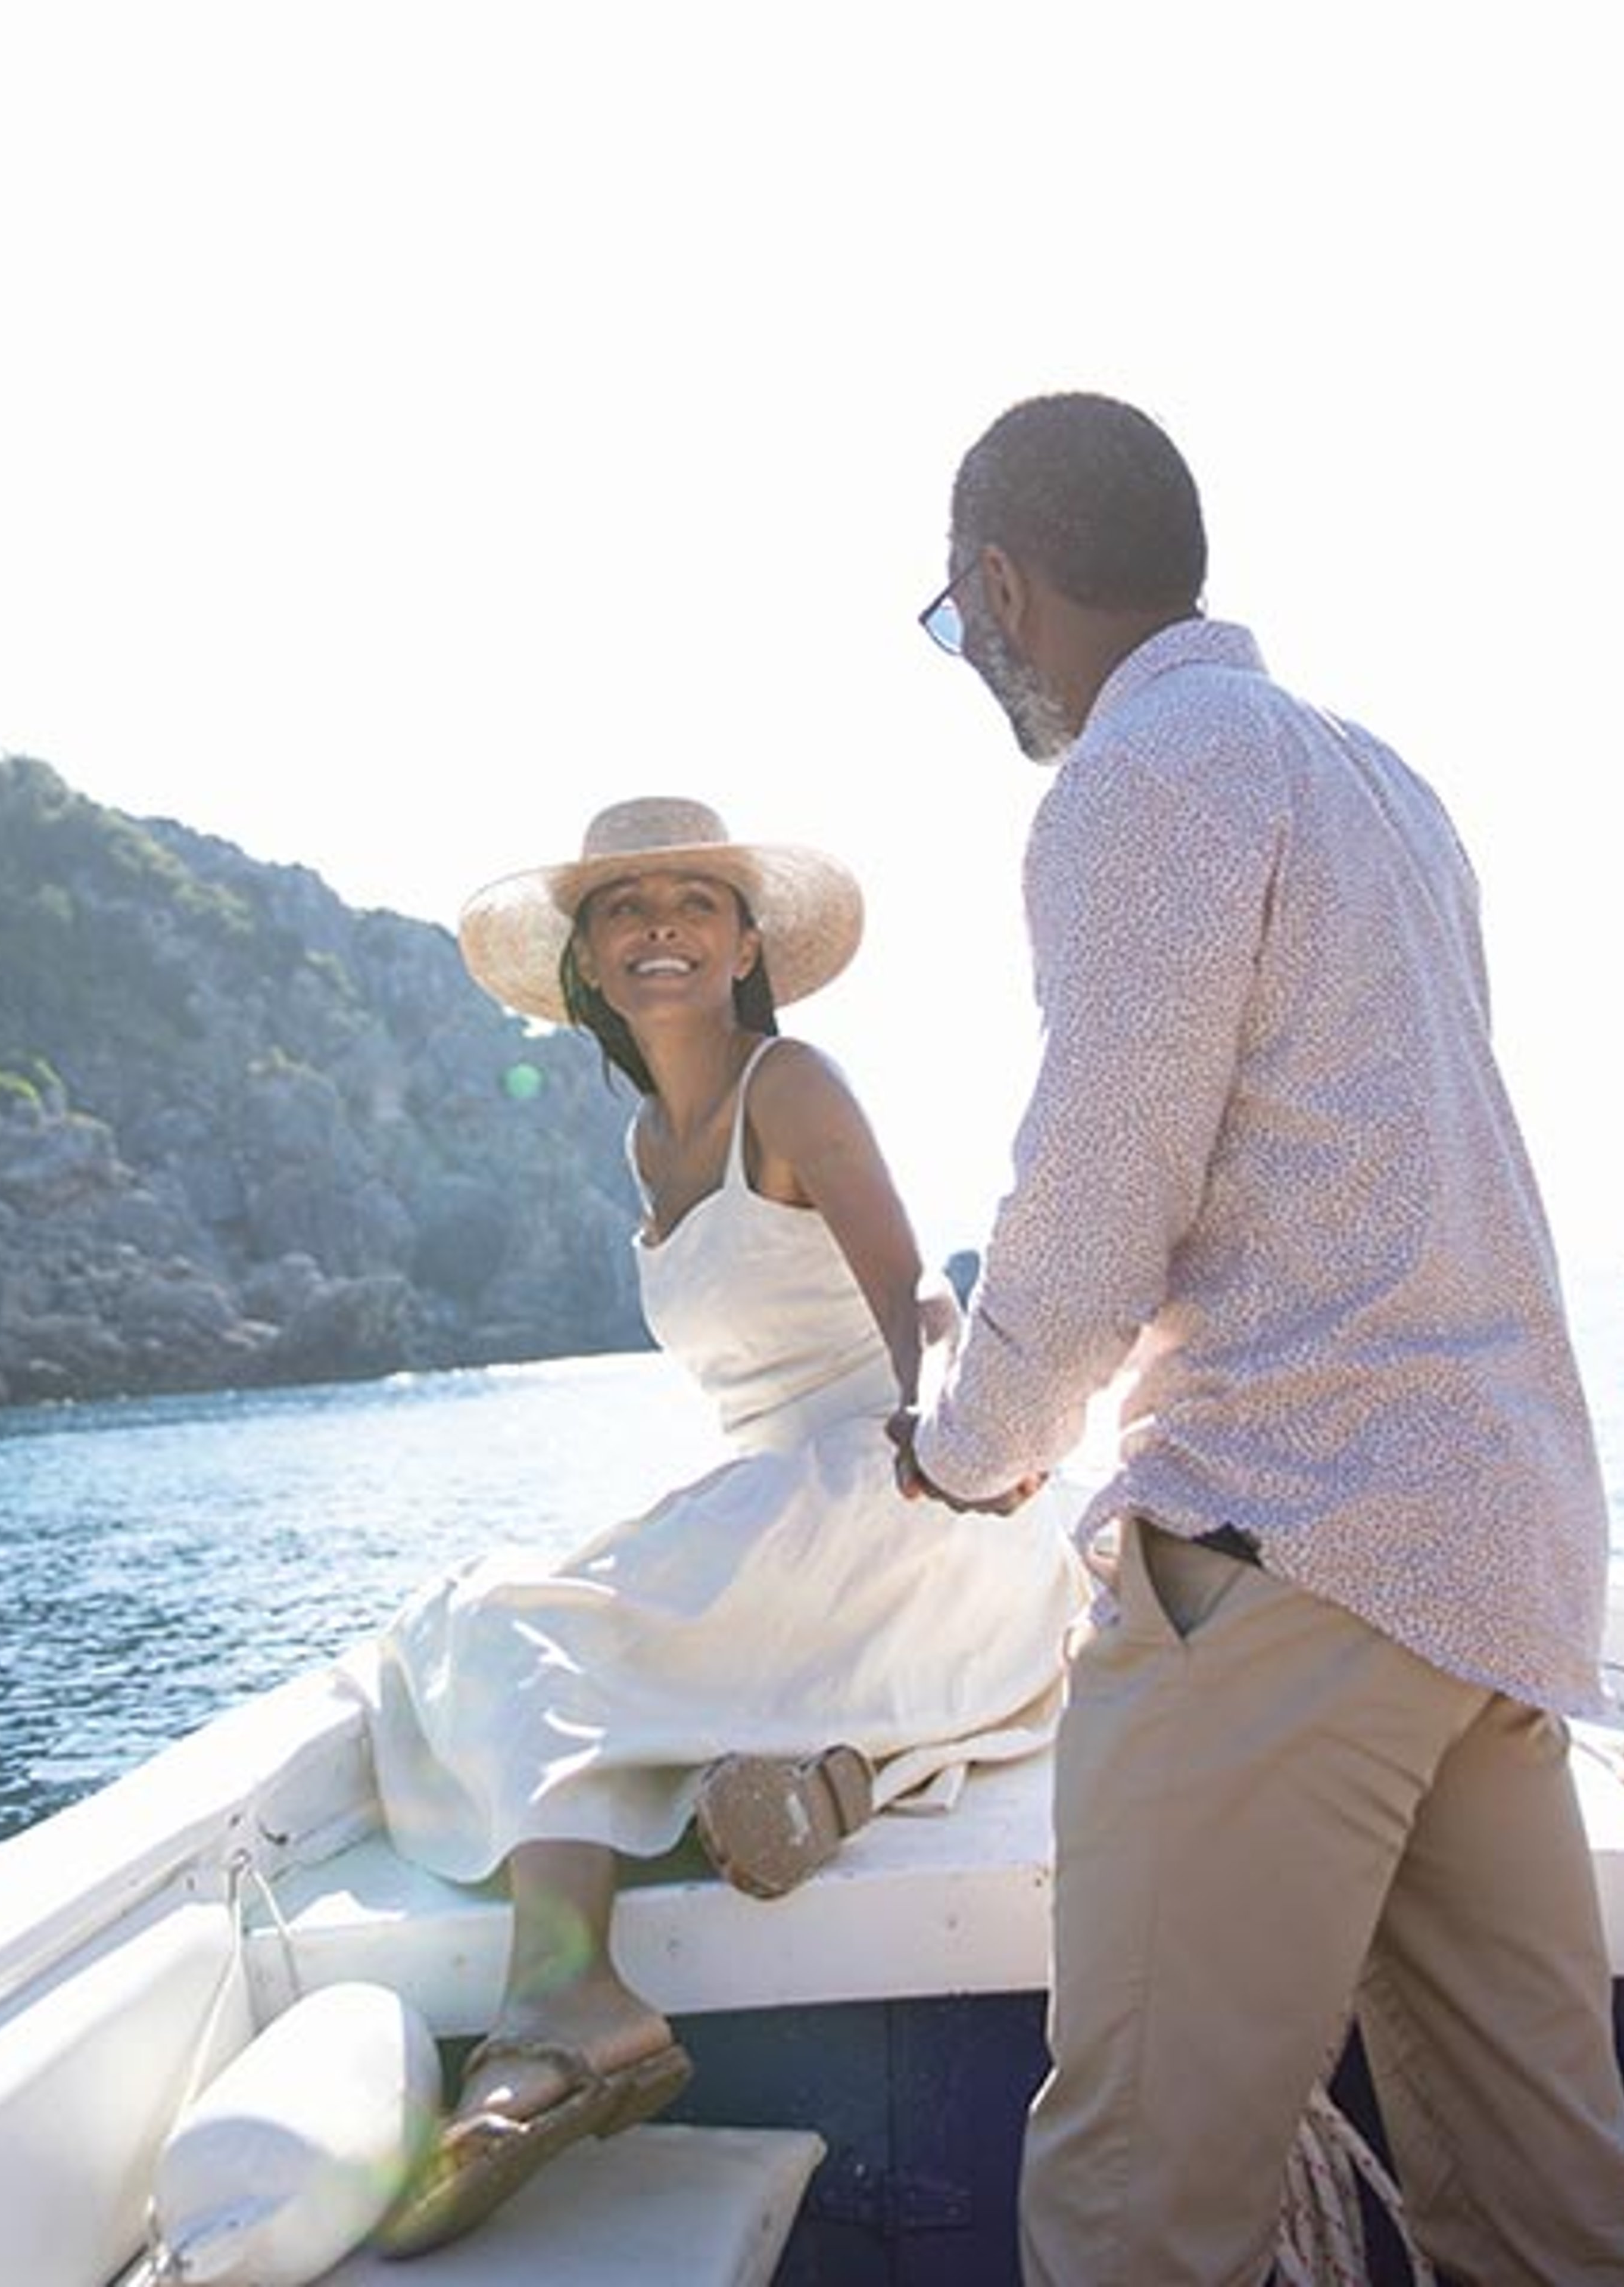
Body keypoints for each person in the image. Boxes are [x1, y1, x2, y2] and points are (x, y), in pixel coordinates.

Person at [894, 391, 1624, 2286]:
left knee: (1135, 2216)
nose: (969, 659)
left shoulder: (1145, 776)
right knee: (1552, 2207)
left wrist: (963, 1446)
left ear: (1001, 585)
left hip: (1295, 1552)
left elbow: (1098, 1194)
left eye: (952, 623)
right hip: (1494, 1568)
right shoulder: (1379, 779)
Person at [361, 795, 1089, 2258]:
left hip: (891, 1491)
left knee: (509, 1623)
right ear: (588, 961)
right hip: (779, 1506)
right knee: (473, 1617)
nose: (663, 930)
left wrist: (963, 1451)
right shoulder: (646, 1139)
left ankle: (568, 1998)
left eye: (696, 902)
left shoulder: (792, 1085)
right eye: (627, 909)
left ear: (747, 942)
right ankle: (816, 1780)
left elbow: (924, 1304)